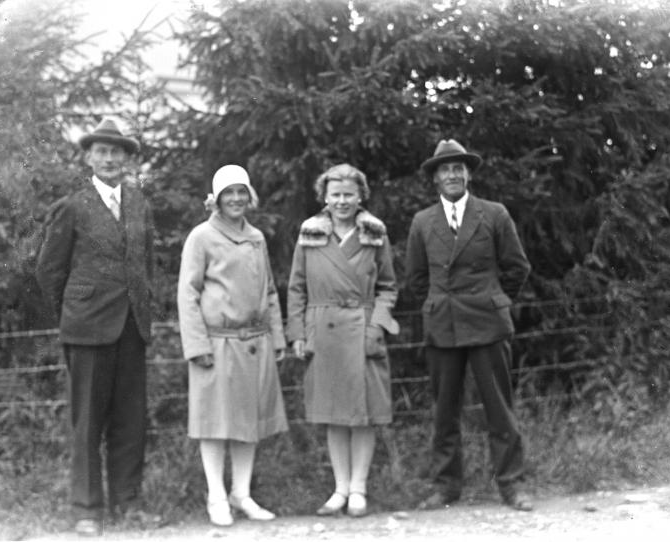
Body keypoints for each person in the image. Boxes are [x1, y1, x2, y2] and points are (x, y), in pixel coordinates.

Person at [35, 117, 155, 536]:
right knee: (87, 422)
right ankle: (86, 509)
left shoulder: (139, 204)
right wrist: (73, 314)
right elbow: (49, 270)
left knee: (130, 420)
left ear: (127, 159)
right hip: (87, 329)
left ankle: (128, 503)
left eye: (117, 151)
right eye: (101, 151)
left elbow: (146, 264)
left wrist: (143, 309)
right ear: (88, 157)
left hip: (131, 327)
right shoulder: (72, 207)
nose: (110, 158)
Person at [404, 138, 534, 511]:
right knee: (445, 410)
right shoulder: (422, 222)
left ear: (468, 174)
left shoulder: (494, 214)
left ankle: (511, 485)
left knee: (499, 408)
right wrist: (438, 303)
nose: (452, 175)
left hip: (487, 322)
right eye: (445, 169)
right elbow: (416, 278)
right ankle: (446, 487)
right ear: (435, 178)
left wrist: (493, 298)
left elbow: (517, 268)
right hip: (443, 325)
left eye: (458, 168)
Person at [177, 165, 288, 527]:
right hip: (216, 343)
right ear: (216, 198)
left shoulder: (256, 237)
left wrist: (277, 337)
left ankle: (241, 493)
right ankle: (216, 496)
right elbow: (188, 293)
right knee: (214, 422)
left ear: (249, 195)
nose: (236, 199)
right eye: (229, 193)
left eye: (242, 191)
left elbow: (269, 290)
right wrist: (197, 345)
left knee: (249, 421)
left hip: (255, 342)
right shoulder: (202, 236)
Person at [287, 163, 399, 518]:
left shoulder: (375, 234)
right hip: (324, 332)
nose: (342, 201)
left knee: (363, 415)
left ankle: (359, 489)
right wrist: (298, 332)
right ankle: (339, 489)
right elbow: (296, 287)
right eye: (335, 194)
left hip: (364, 331)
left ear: (360, 196)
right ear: (324, 196)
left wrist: (376, 326)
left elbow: (388, 287)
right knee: (334, 414)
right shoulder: (309, 234)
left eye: (349, 194)